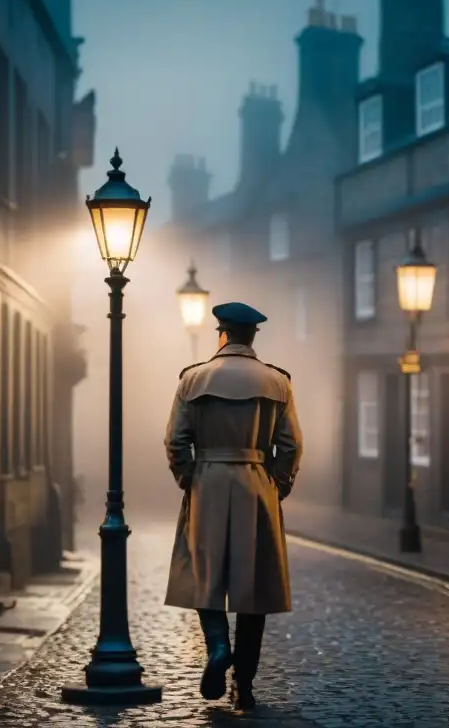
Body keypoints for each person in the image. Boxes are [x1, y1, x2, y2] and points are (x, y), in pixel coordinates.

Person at [163, 301, 304, 711]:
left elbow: (176, 441)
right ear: (253, 335)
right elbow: (291, 445)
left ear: (221, 333)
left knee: (203, 574)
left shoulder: (193, 379)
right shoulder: (278, 382)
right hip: (257, 483)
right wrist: (276, 483)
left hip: (207, 481)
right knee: (252, 588)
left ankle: (218, 647)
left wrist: (190, 477)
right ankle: (244, 684)